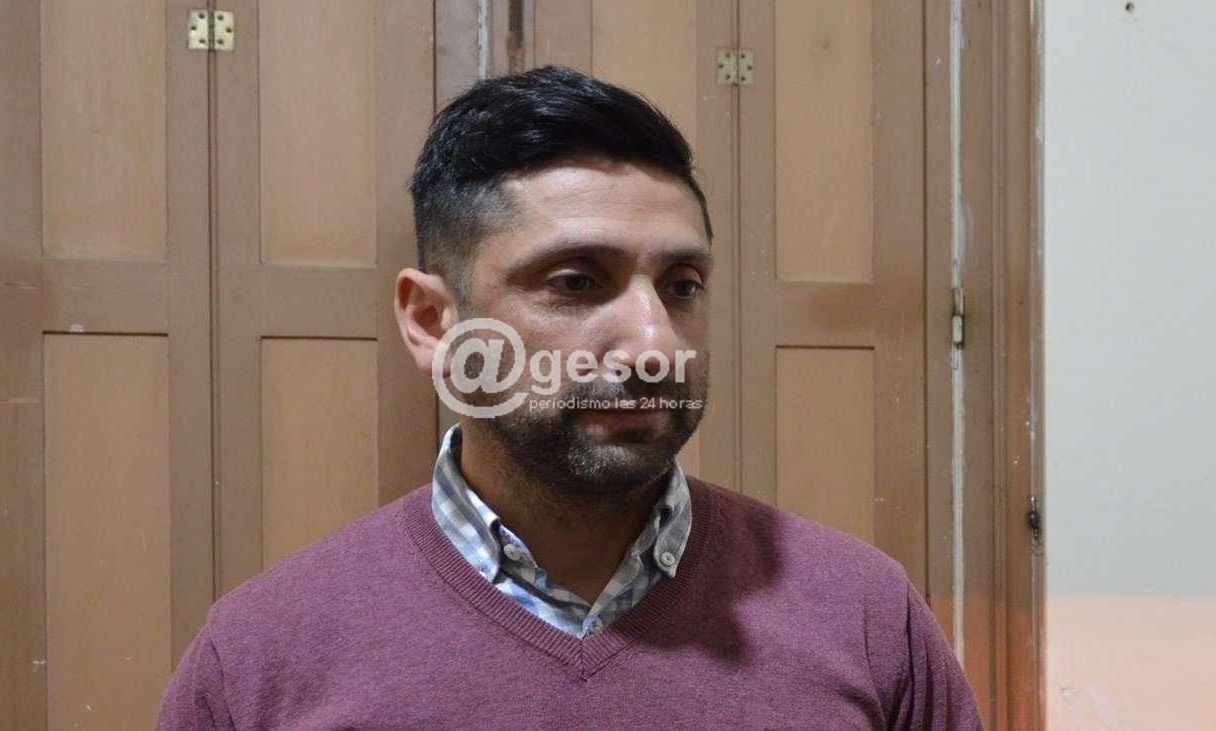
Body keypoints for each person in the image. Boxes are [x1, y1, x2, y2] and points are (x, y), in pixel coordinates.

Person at [157, 65, 983, 730]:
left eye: (682, 285)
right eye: (576, 282)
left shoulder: (863, 616)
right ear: (434, 322)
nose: (655, 345)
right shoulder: (262, 659)